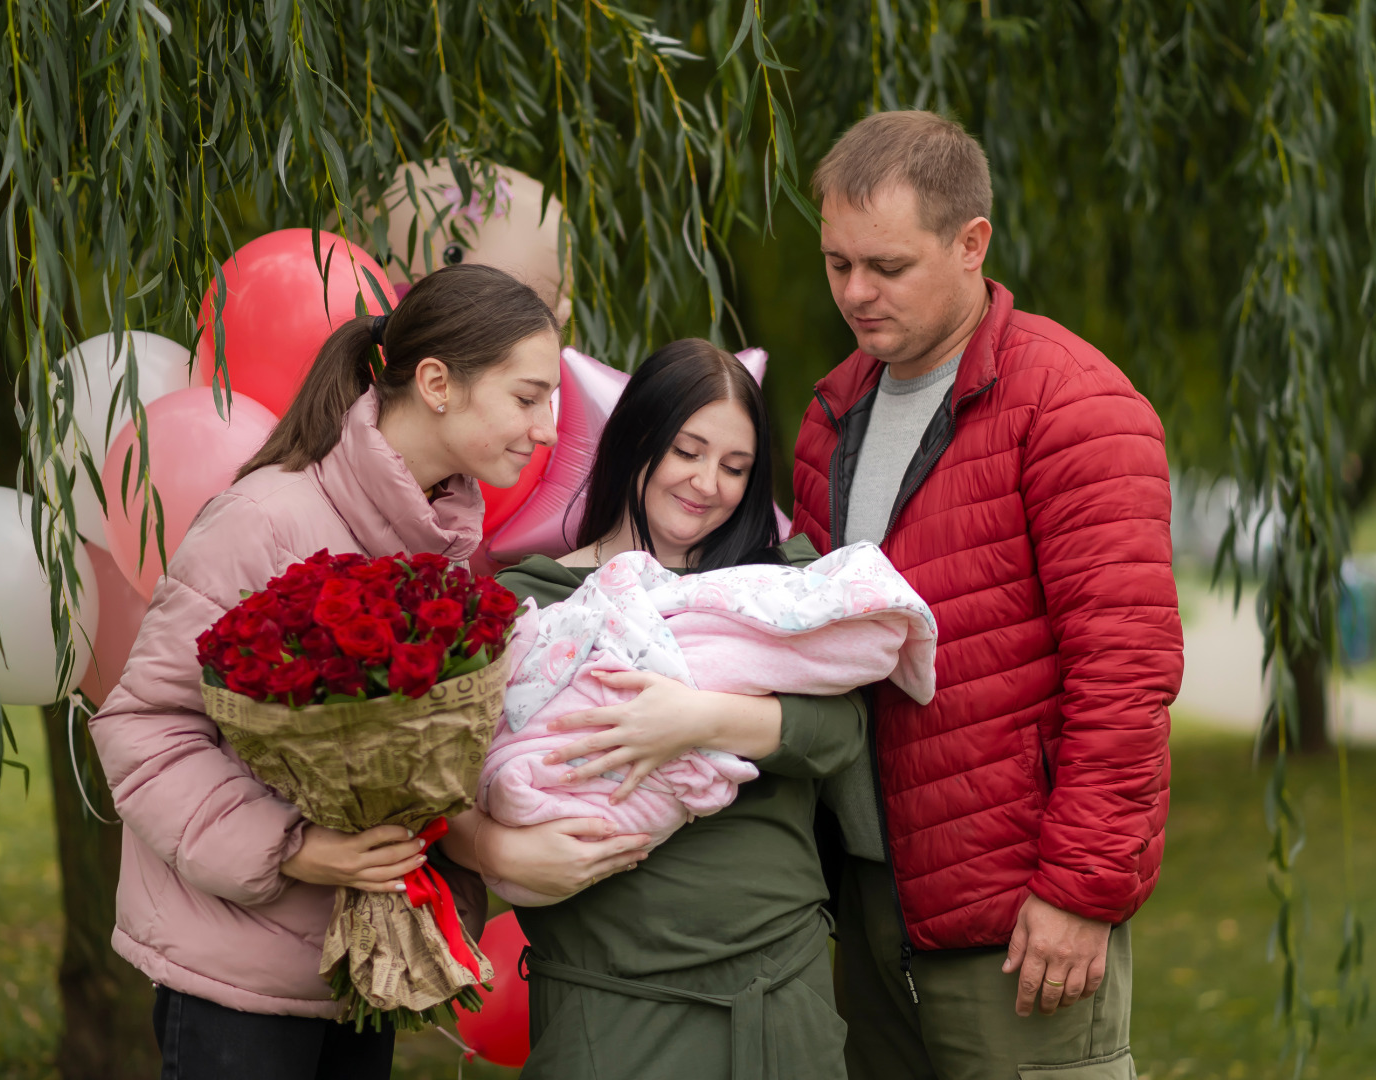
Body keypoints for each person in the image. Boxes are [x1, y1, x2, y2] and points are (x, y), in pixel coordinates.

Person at [89, 264, 594, 1080]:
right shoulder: (265, 519)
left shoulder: (446, 552)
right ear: (435, 382)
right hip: (237, 987)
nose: (545, 429)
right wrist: (291, 848)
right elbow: (143, 724)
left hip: (360, 968)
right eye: (528, 397)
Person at [790, 110, 1184, 1079]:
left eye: (886, 265)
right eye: (837, 263)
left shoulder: (1075, 407)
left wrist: (1083, 892)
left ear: (972, 245)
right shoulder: (831, 412)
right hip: (869, 907)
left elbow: (1125, 675)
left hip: (1019, 916)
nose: (854, 291)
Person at [443, 339, 863, 1079]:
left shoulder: (774, 586)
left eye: (735, 468)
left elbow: (838, 729)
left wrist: (693, 721)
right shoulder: (529, 600)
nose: (708, 484)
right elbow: (434, 779)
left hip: (774, 992)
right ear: (635, 439)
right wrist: (489, 849)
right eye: (686, 451)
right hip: (607, 1002)